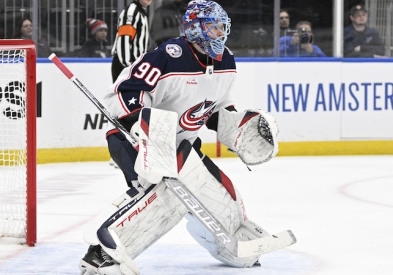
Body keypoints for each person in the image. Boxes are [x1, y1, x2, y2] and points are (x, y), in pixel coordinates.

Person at [78, 1, 282, 274]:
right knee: (168, 197)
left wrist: (237, 129)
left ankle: (231, 243)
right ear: (197, 29)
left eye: (224, 26)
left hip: (181, 147)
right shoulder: (168, 56)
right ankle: (103, 254)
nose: (222, 32)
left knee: (223, 197)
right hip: (136, 140)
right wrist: (139, 120)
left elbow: (214, 110)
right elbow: (126, 91)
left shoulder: (227, 62)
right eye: (215, 26)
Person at [111, 0, 152, 82]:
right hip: (126, 66)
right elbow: (123, 40)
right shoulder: (132, 12)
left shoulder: (141, 12)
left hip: (134, 66)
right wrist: (128, 67)